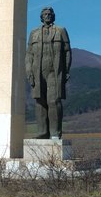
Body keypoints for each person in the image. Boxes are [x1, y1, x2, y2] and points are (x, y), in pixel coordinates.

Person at [25, 7, 71, 139]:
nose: (47, 16)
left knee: (54, 100)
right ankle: (42, 131)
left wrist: (66, 69)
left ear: (53, 16)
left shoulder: (60, 31)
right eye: (45, 14)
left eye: (50, 14)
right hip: (37, 71)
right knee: (40, 101)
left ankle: (55, 133)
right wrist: (28, 70)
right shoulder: (34, 33)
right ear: (41, 17)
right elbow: (29, 54)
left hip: (55, 71)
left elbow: (67, 51)